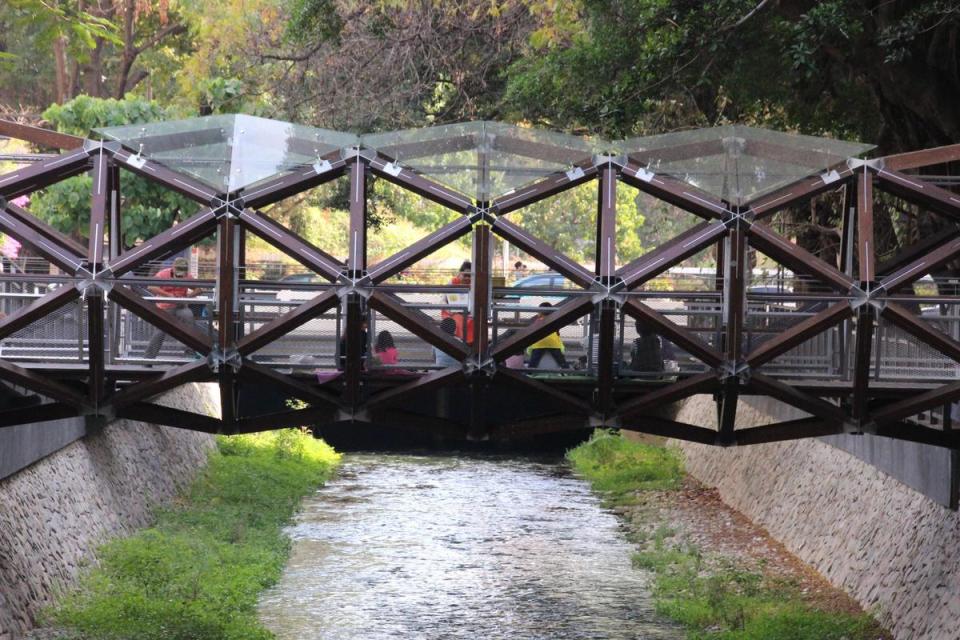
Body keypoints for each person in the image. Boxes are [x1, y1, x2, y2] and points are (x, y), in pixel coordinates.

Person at [144, 257, 200, 359]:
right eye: (178, 274)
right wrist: (168, 295)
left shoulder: (188, 276)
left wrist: (186, 298)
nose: (179, 276)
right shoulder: (163, 274)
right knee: (160, 331)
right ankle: (148, 358)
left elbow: (199, 289)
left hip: (180, 307)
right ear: (173, 268)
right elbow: (151, 287)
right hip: (164, 307)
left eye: (181, 275)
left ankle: (190, 351)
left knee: (189, 318)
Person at [527, 302, 569, 369]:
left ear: (540, 312)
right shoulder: (553, 320)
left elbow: (534, 331)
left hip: (539, 343)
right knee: (560, 359)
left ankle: (530, 371)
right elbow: (557, 332)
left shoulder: (538, 320)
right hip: (553, 343)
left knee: (534, 360)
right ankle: (566, 370)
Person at [442, 260, 473, 344]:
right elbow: (443, 300)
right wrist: (449, 310)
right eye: (465, 275)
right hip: (452, 312)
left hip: (469, 312)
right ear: (460, 274)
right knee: (457, 320)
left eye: (470, 276)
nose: (467, 278)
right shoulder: (452, 282)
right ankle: (459, 344)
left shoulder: (474, 284)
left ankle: (470, 343)